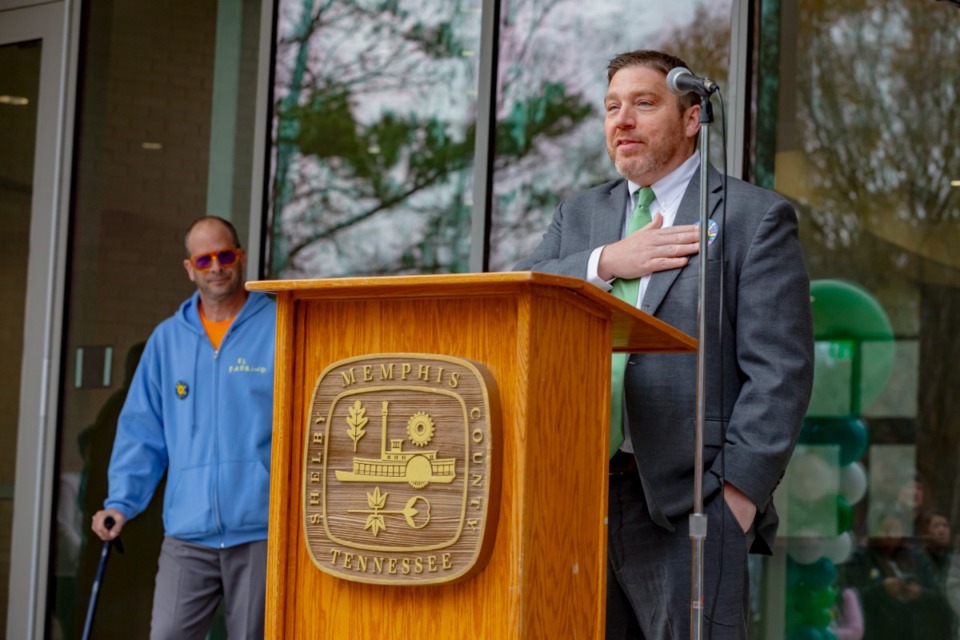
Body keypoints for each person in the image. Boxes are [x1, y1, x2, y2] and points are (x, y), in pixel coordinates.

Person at [514, 49, 814, 639]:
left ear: (692, 118)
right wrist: (605, 262)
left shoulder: (753, 218)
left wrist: (736, 498)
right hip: (575, 496)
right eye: (611, 107)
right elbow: (519, 300)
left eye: (643, 104)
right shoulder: (579, 217)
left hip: (691, 504)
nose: (621, 121)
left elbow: (780, 373)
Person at [90, 216, 276, 639]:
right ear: (189, 268)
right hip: (187, 535)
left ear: (240, 258)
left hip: (259, 531)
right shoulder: (167, 340)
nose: (216, 267)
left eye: (225, 255)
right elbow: (142, 431)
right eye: (204, 259)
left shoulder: (278, 327)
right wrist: (122, 501)